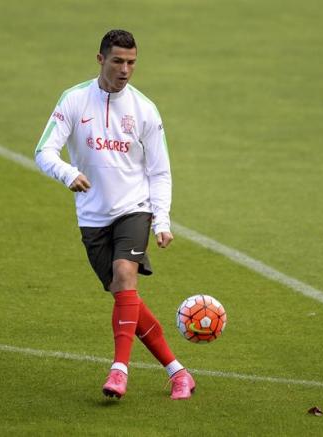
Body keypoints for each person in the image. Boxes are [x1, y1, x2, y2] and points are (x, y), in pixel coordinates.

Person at [34, 29, 194, 400]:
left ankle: (119, 371)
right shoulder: (74, 101)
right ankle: (179, 372)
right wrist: (68, 173)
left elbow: (160, 171)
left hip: (133, 209)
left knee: (125, 275)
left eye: (132, 62)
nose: (125, 70)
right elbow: (44, 152)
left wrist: (163, 220)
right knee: (124, 297)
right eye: (118, 61)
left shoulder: (145, 110)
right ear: (100, 59)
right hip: (92, 218)